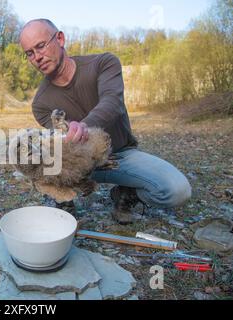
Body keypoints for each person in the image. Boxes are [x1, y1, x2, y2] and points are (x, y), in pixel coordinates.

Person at [19, 19, 192, 224]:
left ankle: (125, 195)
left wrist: (84, 125)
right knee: (34, 156)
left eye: (40, 46)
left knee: (177, 190)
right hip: (80, 165)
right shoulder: (40, 103)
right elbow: (59, 144)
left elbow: (113, 102)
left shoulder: (104, 63)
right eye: (30, 53)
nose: (37, 57)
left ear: (60, 38)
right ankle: (63, 203)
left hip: (121, 155)